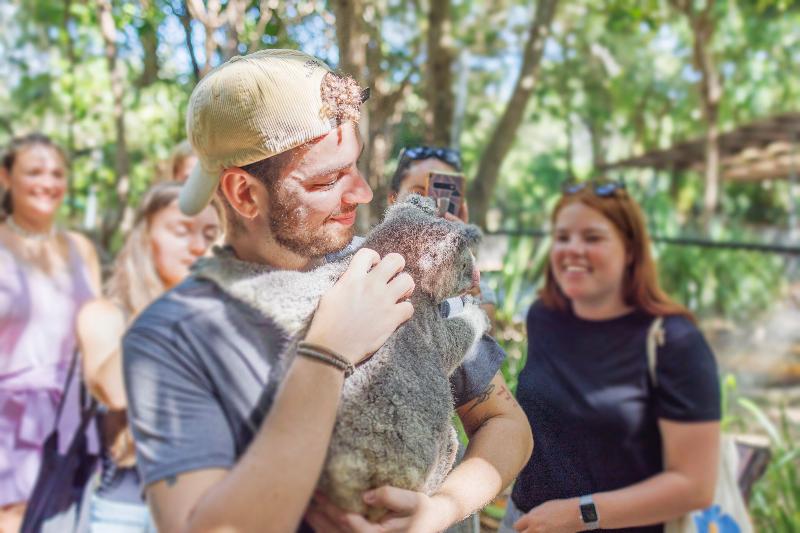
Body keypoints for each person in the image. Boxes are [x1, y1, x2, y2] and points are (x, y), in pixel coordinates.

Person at [122, 49, 532, 533]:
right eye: (328, 179)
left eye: (353, 166)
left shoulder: (398, 262)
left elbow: (506, 425)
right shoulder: (174, 335)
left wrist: (441, 507)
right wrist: (327, 350)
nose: (362, 194)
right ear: (244, 194)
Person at [501, 179, 721, 533]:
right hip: (525, 521)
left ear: (631, 250)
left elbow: (695, 485)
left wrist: (580, 514)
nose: (572, 249)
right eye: (562, 237)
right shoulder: (544, 316)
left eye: (592, 238)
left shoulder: (674, 342)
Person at [76, 182, 220, 532]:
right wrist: (169, 300)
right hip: (123, 512)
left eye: (210, 233)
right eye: (181, 231)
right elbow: (115, 392)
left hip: (208, 509)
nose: (198, 245)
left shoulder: (224, 317)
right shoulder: (105, 315)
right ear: (145, 237)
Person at [0, 133, 101, 532]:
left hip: (71, 415)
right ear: (6, 178)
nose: (48, 182)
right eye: (35, 171)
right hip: (8, 416)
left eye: (57, 173)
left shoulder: (81, 248)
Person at [388, 145, 497, 332]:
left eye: (444, 196)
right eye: (419, 194)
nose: (432, 206)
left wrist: (460, 262)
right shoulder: (365, 260)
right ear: (393, 199)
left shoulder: (479, 291)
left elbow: (478, 349)